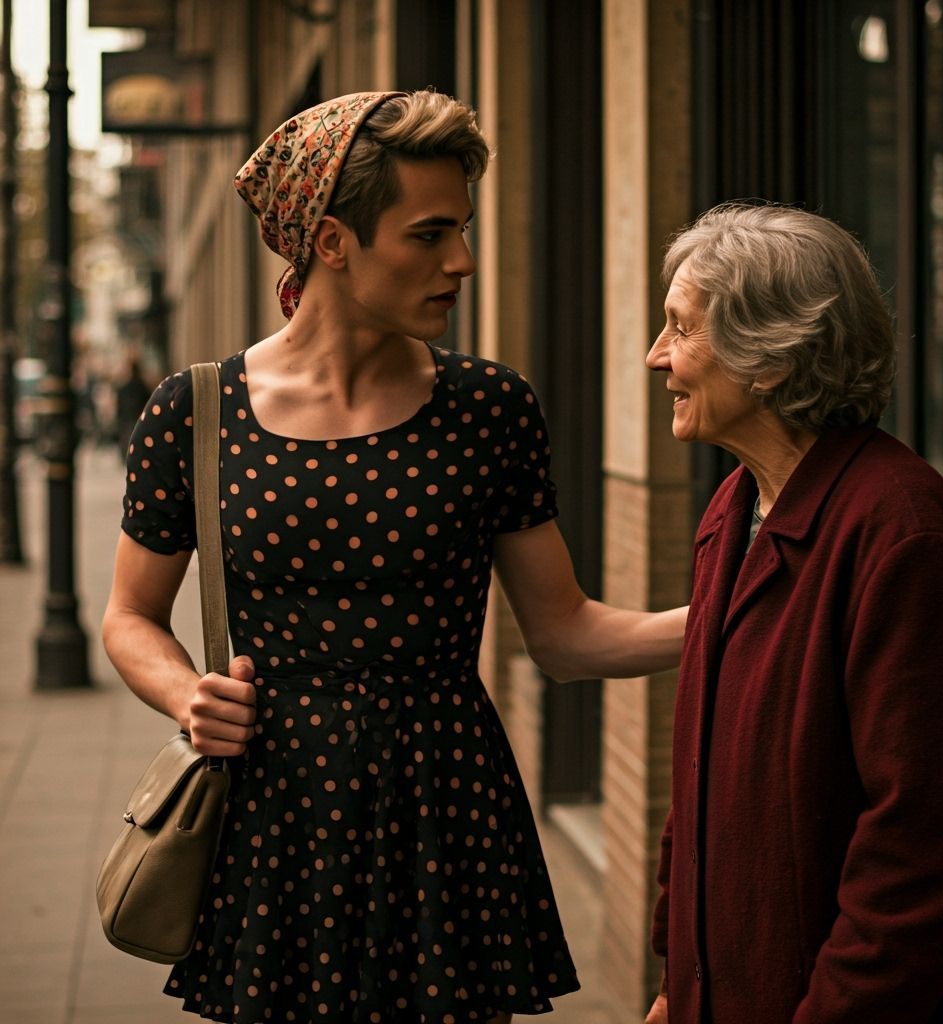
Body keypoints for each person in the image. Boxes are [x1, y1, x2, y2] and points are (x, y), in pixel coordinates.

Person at [102, 90, 688, 1024]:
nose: (461, 261)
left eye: (462, 229)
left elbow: (567, 633)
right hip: (274, 820)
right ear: (333, 241)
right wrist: (186, 694)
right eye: (429, 235)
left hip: (447, 816)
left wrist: (739, 615)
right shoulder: (196, 411)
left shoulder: (491, 409)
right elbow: (129, 617)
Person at [643, 202, 943, 1024]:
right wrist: (678, 976)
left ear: (769, 361)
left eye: (681, 327)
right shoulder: (734, 507)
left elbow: (924, 849)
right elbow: (699, 776)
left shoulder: (901, 537)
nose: (656, 356)